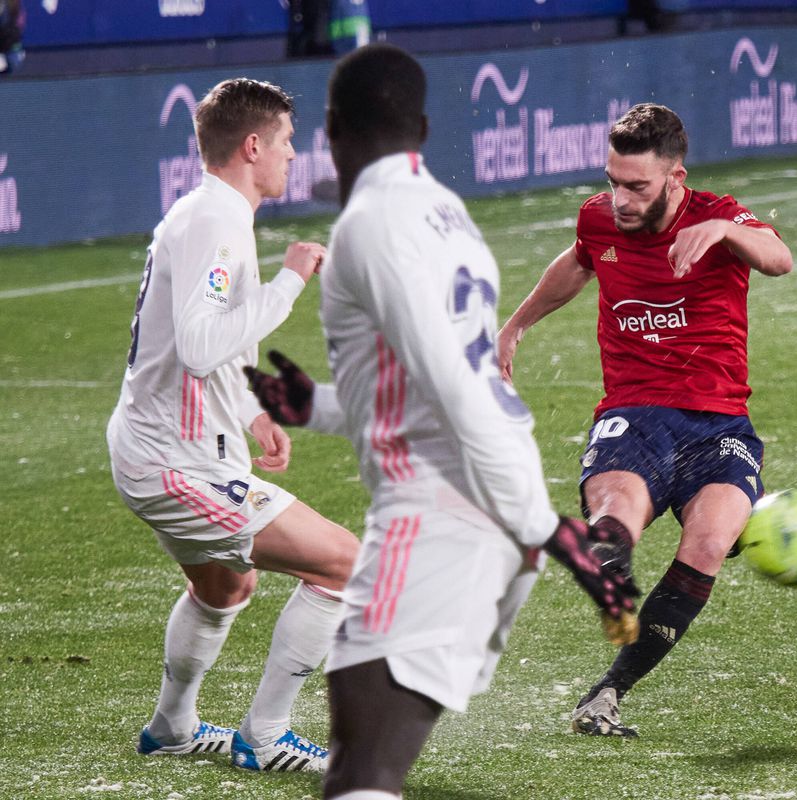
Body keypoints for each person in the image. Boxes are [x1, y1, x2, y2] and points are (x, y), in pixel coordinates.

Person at [240, 44, 639, 799]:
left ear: (329, 129)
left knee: (358, 775)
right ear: (422, 127)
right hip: (469, 517)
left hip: (436, 523)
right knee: (368, 771)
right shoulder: (445, 212)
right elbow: (429, 386)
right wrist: (320, 407)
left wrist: (555, 534)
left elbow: (458, 387)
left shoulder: (369, 225)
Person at [496, 102, 794, 738]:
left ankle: (607, 693)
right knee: (616, 526)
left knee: (710, 543)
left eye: (637, 186)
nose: (621, 199)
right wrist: (517, 323)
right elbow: (578, 262)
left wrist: (725, 234)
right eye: (613, 181)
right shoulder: (600, 219)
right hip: (635, 414)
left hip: (720, 427)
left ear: (675, 177)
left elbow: (778, 258)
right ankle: (609, 569)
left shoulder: (717, 215)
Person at [106, 77, 359, 773]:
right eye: (285, 142)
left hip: (176, 447)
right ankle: (267, 734)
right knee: (344, 564)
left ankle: (172, 727)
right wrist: (291, 282)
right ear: (252, 146)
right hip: (173, 463)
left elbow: (206, 339)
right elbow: (197, 345)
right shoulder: (215, 220)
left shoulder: (209, 216)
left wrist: (250, 412)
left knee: (225, 588)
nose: (292, 155)